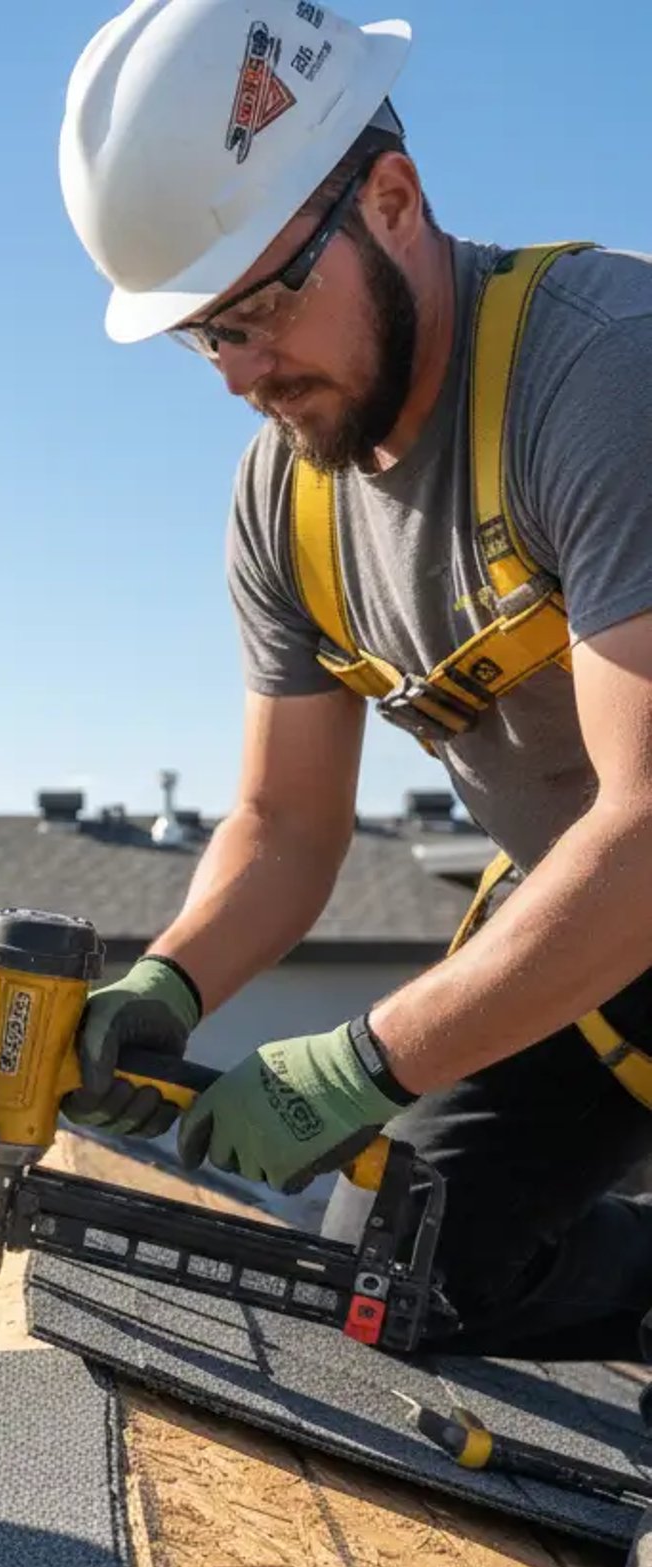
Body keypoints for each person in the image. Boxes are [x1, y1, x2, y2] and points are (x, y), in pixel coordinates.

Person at [54, 0, 652, 1369]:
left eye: (260, 308)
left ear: (392, 199)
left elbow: (650, 819)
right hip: (601, 914)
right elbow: (284, 829)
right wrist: (166, 987)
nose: (240, 375)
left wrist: (368, 1060)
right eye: (203, 335)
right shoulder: (289, 500)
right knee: (390, 1284)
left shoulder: (607, 373)